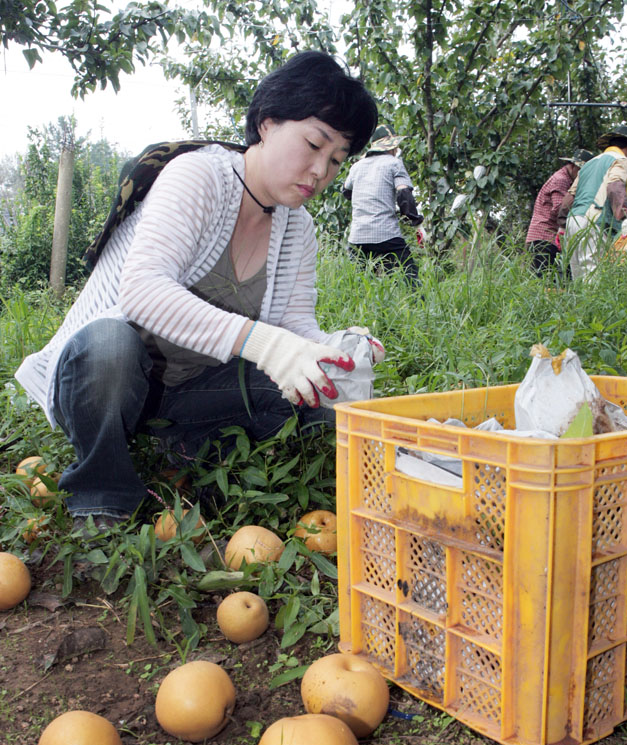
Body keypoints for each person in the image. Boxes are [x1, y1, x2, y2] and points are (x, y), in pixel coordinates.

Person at [15, 52, 382, 530]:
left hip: (190, 390)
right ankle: (101, 489)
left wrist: (331, 351)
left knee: (310, 399)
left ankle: (189, 446)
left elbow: (295, 326)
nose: (320, 171)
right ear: (267, 123)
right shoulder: (198, 176)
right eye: (314, 144)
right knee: (109, 346)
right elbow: (142, 293)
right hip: (107, 381)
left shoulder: (298, 229)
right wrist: (266, 344)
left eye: (335, 160)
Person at [558, 124, 627, 279]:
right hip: (593, 221)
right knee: (593, 274)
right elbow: (615, 186)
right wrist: (626, 217)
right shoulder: (620, 159)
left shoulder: (589, 164)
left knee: (578, 276)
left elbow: (570, 197)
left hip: (573, 221)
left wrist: (562, 226)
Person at [343, 124, 423, 284]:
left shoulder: (356, 167)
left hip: (358, 237)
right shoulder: (394, 163)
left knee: (358, 286)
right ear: (392, 147)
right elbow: (404, 194)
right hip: (387, 234)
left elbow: (346, 192)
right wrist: (415, 221)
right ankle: (416, 306)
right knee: (410, 280)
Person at [525, 149, 593, 274]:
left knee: (560, 279)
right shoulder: (561, 180)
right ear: (574, 166)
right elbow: (559, 209)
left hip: (550, 238)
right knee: (549, 280)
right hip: (544, 237)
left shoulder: (567, 179)